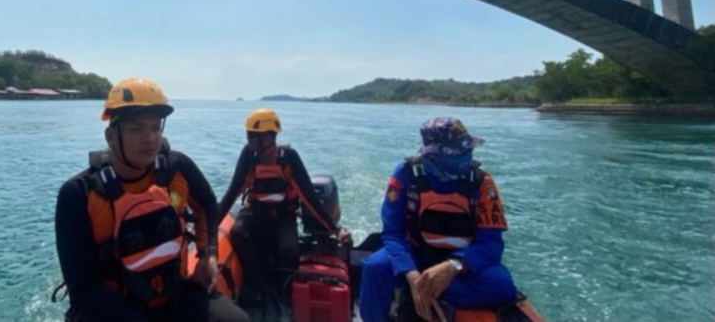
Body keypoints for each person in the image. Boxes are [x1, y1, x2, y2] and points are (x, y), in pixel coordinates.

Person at [55, 78, 248, 322]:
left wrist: (207, 253)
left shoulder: (177, 169)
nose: (150, 138)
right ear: (111, 136)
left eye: (156, 128)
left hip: (174, 294)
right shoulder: (79, 194)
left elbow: (208, 204)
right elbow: (84, 291)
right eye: (137, 129)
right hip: (114, 310)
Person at [358, 117, 518, 322]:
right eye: (457, 152)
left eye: (467, 149)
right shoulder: (406, 174)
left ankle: (424, 297)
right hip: (415, 253)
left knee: (502, 286)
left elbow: (491, 243)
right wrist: (412, 275)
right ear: (432, 153)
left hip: (462, 262)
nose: (466, 155)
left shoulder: (482, 183)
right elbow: (392, 233)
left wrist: (453, 266)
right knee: (374, 269)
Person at [217, 108, 351, 309]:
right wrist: (210, 225)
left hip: (283, 215)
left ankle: (283, 293)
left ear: (270, 137)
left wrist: (335, 229)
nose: (252, 144)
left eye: (256, 139)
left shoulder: (288, 158)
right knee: (238, 232)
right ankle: (261, 288)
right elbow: (232, 192)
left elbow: (309, 196)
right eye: (250, 138)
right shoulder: (248, 156)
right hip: (256, 212)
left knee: (289, 251)